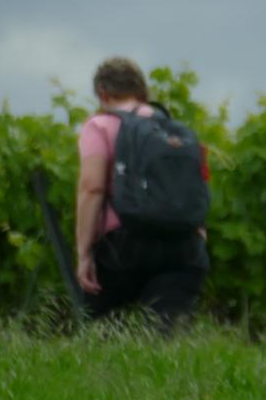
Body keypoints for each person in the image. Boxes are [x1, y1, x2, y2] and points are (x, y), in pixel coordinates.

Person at [73, 56, 210, 329]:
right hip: (182, 245)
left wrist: (84, 253)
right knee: (165, 338)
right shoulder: (170, 128)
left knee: (98, 333)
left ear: (102, 93)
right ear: (142, 91)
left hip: (123, 247)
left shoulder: (100, 126)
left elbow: (93, 187)